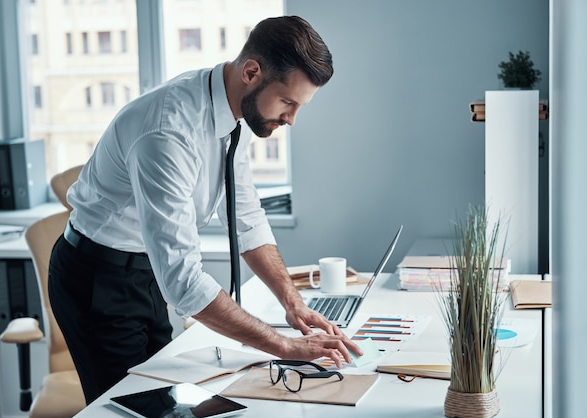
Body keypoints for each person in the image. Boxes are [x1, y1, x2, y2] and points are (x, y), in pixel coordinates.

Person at [47, 15, 362, 405]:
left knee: (160, 399)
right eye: (287, 102)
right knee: (131, 408)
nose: (291, 119)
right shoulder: (168, 130)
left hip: (142, 271)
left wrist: (291, 301)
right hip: (98, 278)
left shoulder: (238, 115)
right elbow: (182, 279)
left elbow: (246, 217)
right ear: (251, 71)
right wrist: (283, 345)